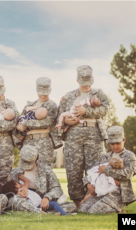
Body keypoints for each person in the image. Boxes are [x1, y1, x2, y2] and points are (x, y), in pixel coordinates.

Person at [56, 65, 110, 208]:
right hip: (74, 135)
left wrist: (87, 111)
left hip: (94, 134)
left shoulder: (98, 93)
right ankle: (77, 203)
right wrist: (66, 121)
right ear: (77, 80)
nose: (87, 86)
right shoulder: (67, 97)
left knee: (94, 168)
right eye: (84, 83)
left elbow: (105, 109)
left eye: (89, 83)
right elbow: (58, 115)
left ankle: (94, 200)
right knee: (73, 169)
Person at [79, 126, 136, 213]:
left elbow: (128, 174)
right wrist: (88, 184)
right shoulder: (105, 157)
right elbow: (91, 172)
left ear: (124, 140)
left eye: (118, 143)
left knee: (95, 211)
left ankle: (117, 209)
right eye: (112, 144)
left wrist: (106, 170)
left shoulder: (129, 156)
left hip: (118, 193)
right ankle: (113, 208)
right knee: (83, 210)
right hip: (101, 191)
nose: (115, 146)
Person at [7, 145, 76, 214]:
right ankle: (44, 213)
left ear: (36, 160)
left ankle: (42, 213)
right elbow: (8, 190)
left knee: (71, 205)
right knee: (14, 200)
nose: (26, 167)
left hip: (43, 203)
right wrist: (17, 195)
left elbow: (57, 189)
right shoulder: (15, 172)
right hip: (25, 203)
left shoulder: (46, 170)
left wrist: (47, 198)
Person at [16, 77, 62, 167]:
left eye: (45, 93)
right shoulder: (29, 105)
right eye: (40, 93)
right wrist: (19, 126)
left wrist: (26, 123)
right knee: (27, 171)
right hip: (28, 142)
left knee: (44, 171)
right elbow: (20, 119)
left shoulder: (51, 105)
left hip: (44, 143)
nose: (43, 96)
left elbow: (46, 122)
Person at [0, 180, 68, 216]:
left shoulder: (23, 188)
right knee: (54, 204)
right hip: (36, 205)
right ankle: (63, 214)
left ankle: (57, 213)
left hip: (39, 204)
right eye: (16, 183)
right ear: (14, 187)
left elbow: (26, 182)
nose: (18, 183)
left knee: (56, 204)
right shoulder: (20, 192)